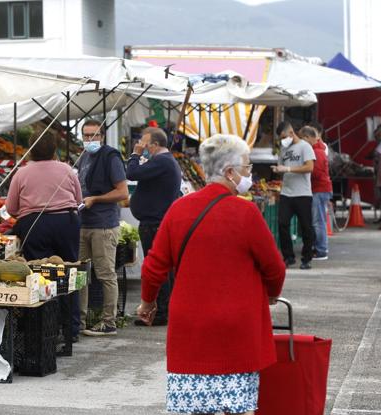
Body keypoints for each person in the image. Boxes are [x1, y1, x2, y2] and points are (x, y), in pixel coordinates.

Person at [137, 134, 285, 415]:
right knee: (237, 408)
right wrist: (272, 294)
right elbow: (274, 267)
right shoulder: (246, 213)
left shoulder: (178, 209)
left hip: (190, 328)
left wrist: (148, 302)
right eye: (246, 168)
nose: (249, 174)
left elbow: (154, 266)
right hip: (237, 330)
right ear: (229, 173)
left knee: (193, 407)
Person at [6, 131, 82, 341]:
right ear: (54, 149)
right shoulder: (67, 169)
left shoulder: (21, 173)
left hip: (34, 225)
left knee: (38, 272)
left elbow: (11, 208)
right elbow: (78, 199)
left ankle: (40, 326)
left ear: (30, 150)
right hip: (66, 223)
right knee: (68, 271)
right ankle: (70, 329)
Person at [76, 119, 128, 336]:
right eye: (86, 136)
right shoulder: (83, 156)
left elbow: (123, 193)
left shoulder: (111, 156)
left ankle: (109, 322)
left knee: (105, 274)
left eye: (94, 136)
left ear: (102, 136)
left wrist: (95, 199)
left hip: (104, 225)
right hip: (83, 223)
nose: (90, 140)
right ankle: (79, 321)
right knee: (80, 274)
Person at [126, 126, 182, 326]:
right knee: (164, 269)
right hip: (155, 221)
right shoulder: (163, 162)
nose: (142, 146)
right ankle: (162, 310)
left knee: (159, 270)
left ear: (155, 145)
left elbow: (131, 173)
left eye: (145, 143)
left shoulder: (162, 161)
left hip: (155, 223)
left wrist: (135, 153)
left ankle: (161, 312)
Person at [272, 121, 316, 270]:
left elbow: (309, 167)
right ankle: (288, 257)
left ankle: (306, 258)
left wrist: (288, 168)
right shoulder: (283, 150)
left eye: (284, 136)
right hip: (286, 193)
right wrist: (279, 169)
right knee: (282, 224)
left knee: (306, 227)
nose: (283, 140)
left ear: (291, 133)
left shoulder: (305, 146)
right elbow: (282, 166)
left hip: (303, 193)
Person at [300, 126, 332, 260]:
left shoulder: (317, 152)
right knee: (318, 220)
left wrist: (302, 171)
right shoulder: (318, 150)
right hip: (319, 189)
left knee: (318, 221)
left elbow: (316, 173)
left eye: (302, 139)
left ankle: (321, 250)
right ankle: (319, 247)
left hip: (319, 189)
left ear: (308, 138)